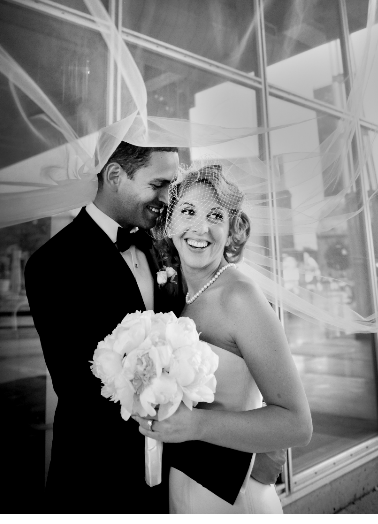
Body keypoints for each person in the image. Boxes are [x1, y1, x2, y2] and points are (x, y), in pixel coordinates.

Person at [25, 142, 285, 513]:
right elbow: (83, 393)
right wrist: (238, 454)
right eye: (159, 184)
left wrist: (267, 439)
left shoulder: (167, 244)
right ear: (116, 176)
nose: (169, 197)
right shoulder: (52, 265)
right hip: (99, 482)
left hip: (179, 483)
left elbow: (238, 351)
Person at [135, 163, 313, 513]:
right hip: (185, 487)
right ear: (170, 223)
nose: (200, 228)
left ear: (232, 229)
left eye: (215, 216)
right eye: (188, 211)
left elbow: (297, 424)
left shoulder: (240, 296)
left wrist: (195, 424)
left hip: (232, 497)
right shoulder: (183, 296)